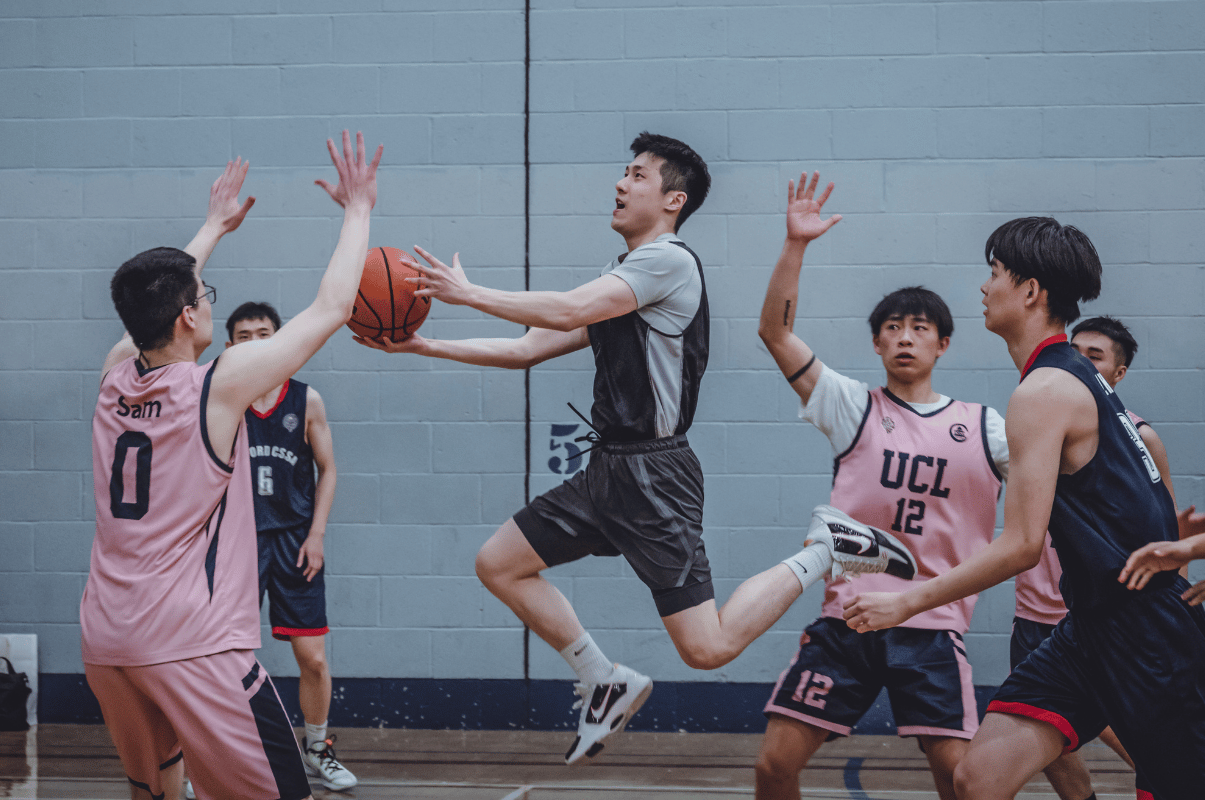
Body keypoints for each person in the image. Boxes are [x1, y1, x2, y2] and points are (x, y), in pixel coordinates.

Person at [357, 134, 916, 764]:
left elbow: (568, 311)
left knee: (707, 649)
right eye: (623, 173)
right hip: (608, 471)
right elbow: (525, 349)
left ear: (673, 199)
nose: (621, 184)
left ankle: (826, 550)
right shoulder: (622, 276)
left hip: (655, 474)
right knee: (499, 563)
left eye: (637, 175)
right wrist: (424, 347)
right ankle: (603, 678)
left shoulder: (669, 262)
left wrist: (469, 292)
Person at [843, 217, 1205, 800]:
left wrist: (906, 601)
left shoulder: (1043, 392)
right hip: (1090, 629)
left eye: (994, 274)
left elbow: (1022, 545)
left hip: (1147, 637)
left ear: (1030, 290)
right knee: (978, 778)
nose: (984, 289)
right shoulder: (1072, 379)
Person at [81, 133, 381, 800]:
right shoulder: (215, 387)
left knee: (153, 793)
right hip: (191, 647)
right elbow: (331, 309)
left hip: (106, 641)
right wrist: (358, 209)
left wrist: (212, 228)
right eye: (205, 295)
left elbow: (148, 309)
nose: (212, 302)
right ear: (189, 315)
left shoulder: (110, 379)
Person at [753, 173, 1006, 800]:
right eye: (892, 327)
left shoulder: (985, 426)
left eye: (920, 327)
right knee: (773, 764)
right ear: (875, 341)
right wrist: (796, 245)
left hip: (931, 619)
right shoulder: (851, 406)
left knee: (962, 777)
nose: (904, 336)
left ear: (944, 343)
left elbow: (1059, 474)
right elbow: (776, 335)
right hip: (849, 620)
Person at [1013, 315, 1195, 800]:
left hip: (1128, 622)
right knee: (1023, 762)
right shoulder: (1042, 411)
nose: (1080, 361)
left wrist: (1187, 545)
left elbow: (1164, 537)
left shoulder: (1138, 436)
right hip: (1047, 618)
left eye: (1095, 356)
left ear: (1117, 374)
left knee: (1158, 754)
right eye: (1077, 351)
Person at [222, 301, 356, 792]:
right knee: (219, 658)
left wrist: (317, 533)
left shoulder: (306, 400)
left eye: (264, 333)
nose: (255, 342)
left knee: (313, 657)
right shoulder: (221, 399)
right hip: (237, 541)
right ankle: (211, 757)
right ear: (230, 346)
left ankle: (317, 751)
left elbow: (330, 469)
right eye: (244, 335)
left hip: (294, 540)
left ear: (281, 339)